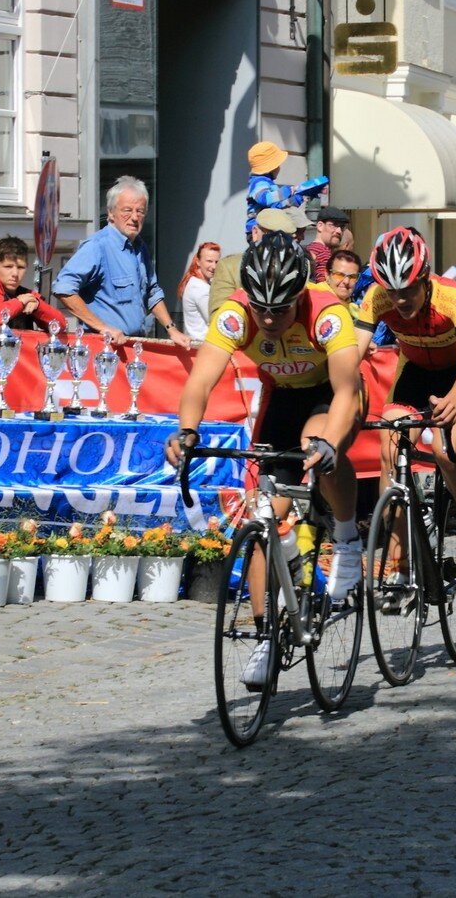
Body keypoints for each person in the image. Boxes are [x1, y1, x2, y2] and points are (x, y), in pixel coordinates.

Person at [165, 233, 363, 687]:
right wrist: (187, 430)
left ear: (299, 297)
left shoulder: (328, 311)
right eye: (262, 309)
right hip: (282, 398)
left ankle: (348, 536)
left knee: (317, 442)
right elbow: (199, 383)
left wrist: (330, 443)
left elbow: (347, 391)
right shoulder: (235, 313)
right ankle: (265, 637)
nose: (270, 319)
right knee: (261, 523)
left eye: (281, 309)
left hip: (331, 396)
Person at [353, 227, 456, 592]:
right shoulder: (376, 298)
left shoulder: (452, 298)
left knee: (445, 450)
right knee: (390, 449)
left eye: (408, 290)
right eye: (392, 291)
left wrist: (454, 401)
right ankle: (400, 564)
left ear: (425, 277)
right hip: (414, 375)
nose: (399, 300)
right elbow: (350, 355)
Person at [53, 176, 192, 349]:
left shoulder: (141, 248)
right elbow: (63, 288)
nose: (134, 217)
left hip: (135, 347)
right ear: (111, 213)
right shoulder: (98, 246)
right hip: (104, 351)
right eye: (127, 210)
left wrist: (171, 329)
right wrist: (102, 328)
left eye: (140, 211)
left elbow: (152, 293)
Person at [209, 208, 298, 319]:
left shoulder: (297, 268)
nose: (276, 241)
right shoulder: (229, 268)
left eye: (285, 237)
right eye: (270, 234)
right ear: (255, 233)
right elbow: (218, 318)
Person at [0, 235, 66, 332]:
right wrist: (19, 303)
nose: (15, 274)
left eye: (20, 267)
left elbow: (61, 325)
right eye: (8, 267)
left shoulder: (28, 295)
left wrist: (38, 306)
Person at [244, 140, 327, 235]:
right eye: (277, 165)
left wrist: (300, 197)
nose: (279, 168)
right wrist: (290, 190)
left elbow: (277, 206)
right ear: (272, 167)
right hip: (258, 230)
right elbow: (265, 199)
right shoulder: (258, 182)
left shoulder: (268, 183)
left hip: (269, 229)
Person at [176, 241, 221, 341]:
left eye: (217, 262)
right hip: (203, 346)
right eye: (209, 261)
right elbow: (216, 321)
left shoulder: (197, 283)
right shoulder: (200, 288)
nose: (214, 266)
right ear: (198, 261)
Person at [307, 207, 350, 283]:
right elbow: (324, 286)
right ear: (320, 226)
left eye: (342, 227)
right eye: (333, 225)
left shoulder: (310, 249)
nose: (339, 231)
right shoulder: (323, 253)